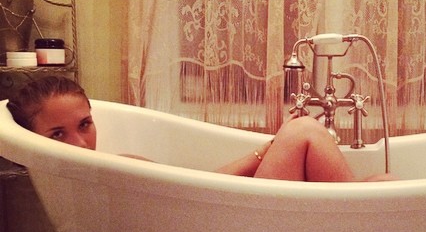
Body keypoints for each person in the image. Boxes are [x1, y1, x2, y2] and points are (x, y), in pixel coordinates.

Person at [7, 75, 393, 182]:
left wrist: (266, 150)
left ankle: (361, 216)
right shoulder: (104, 176)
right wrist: (270, 147)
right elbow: (197, 190)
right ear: (32, 143)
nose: (79, 142)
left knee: (380, 181)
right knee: (303, 130)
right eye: (57, 134)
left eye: (85, 124)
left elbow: (198, 185)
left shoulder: (112, 165)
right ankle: (361, 225)